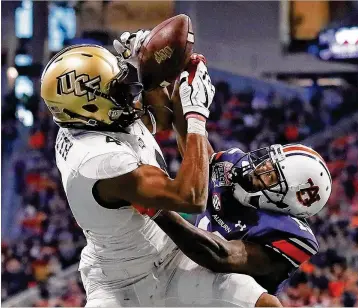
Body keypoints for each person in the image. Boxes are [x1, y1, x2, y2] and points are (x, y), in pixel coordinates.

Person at [40, 38, 280, 307]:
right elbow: (190, 197)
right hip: (120, 285)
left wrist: (155, 68)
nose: (130, 94)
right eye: (118, 90)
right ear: (91, 106)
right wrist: (196, 114)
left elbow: (161, 116)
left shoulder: (91, 117)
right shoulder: (99, 161)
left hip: (171, 255)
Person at [145, 61, 333, 298]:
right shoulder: (233, 167)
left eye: (271, 175)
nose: (258, 169)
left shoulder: (289, 235)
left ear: (285, 203)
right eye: (267, 161)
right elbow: (195, 153)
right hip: (179, 285)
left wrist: (155, 208)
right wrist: (184, 90)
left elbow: (221, 256)